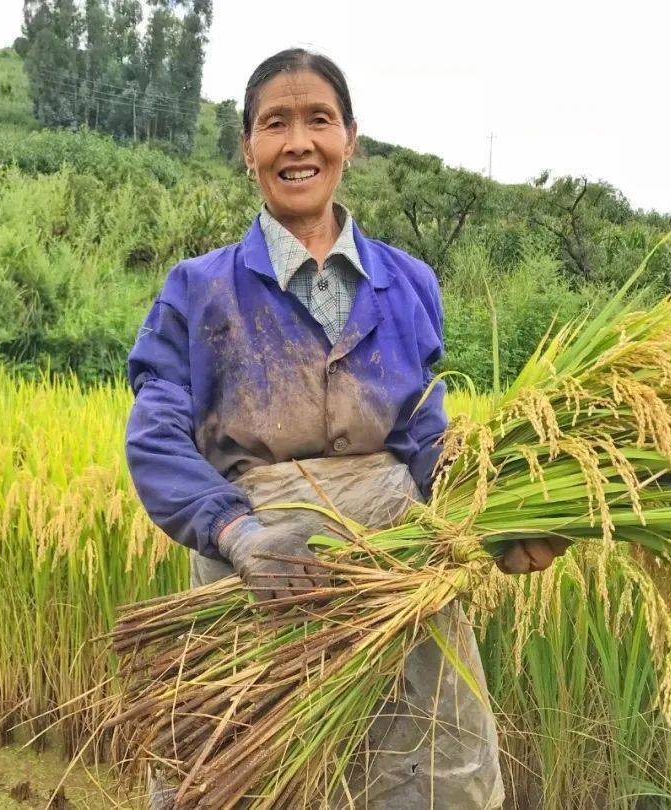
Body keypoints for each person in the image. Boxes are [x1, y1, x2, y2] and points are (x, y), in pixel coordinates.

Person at [125, 49, 568, 808]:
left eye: (318, 121)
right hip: (262, 576)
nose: (298, 142)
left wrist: (499, 517)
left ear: (350, 140)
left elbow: (426, 438)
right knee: (245, 778)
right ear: (248, 149)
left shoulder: (409, 283)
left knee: (424, 776)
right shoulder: (199, 290)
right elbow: (156, 437)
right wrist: (241, 538)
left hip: (397, 577)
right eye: (275, 124)